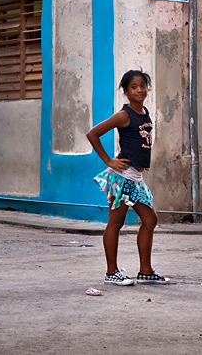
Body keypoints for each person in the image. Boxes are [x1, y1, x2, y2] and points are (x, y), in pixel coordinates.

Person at [86, 70, 169, 286]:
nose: (139, 90)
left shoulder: (144, 112)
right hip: (121, 177)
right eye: (134, 87)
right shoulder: (124, 115)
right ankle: (111, 272)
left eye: (143, 85)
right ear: (126, 91)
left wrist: (142, 163)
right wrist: (108, 161)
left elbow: (140, 142)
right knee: (115, 223)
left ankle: (145, 271)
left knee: (150, 220)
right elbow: (92, 134)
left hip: (135, 178)